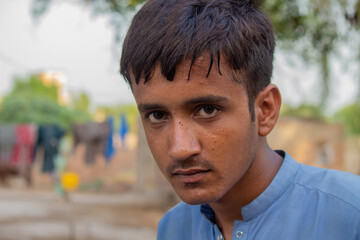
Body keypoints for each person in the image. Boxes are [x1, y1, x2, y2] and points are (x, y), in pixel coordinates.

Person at [120, 0, 360, 239]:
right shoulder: (174, 228)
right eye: (157, 115)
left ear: (265, 110)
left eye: (207, 110)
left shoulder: (350, 215)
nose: (180, 149)